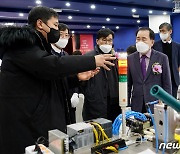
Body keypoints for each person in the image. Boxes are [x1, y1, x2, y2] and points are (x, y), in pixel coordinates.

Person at [0, 6, 115, 154]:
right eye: (55, 25)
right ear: (40, 23)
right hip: (25, 123)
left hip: (35, 119)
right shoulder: (22, 46)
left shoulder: (38, 47)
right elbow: (53, 66)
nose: (56, 30)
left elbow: (48, 78)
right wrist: (92, 60)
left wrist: (76, 78)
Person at [128, 27, 172, 113]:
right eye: (138, 39)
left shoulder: (162, 58)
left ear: (152, 42)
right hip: (137, 104)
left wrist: (167, 103)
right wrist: (126, 104)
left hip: (156, 103)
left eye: (144, 39)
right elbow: (128, 84)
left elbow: (167, 83)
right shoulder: (130, 58)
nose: (140, 42)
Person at [82, 28, 121, 122]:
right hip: (95, 101)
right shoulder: (89, 57)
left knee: (114, 130)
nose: (107, 43)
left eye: (110, 40)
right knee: (97, 130)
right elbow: (82, 79)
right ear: (97, 41)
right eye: (104, 40)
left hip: (113, 101)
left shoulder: (114, 57)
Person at [153, 22, 180, 98]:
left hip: (174, 78)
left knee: (172, 101)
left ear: (170, 31)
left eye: (163, 31)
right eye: (160, 31)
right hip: (159, 78)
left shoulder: (177, 46)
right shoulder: (155, 45)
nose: (161, 33)